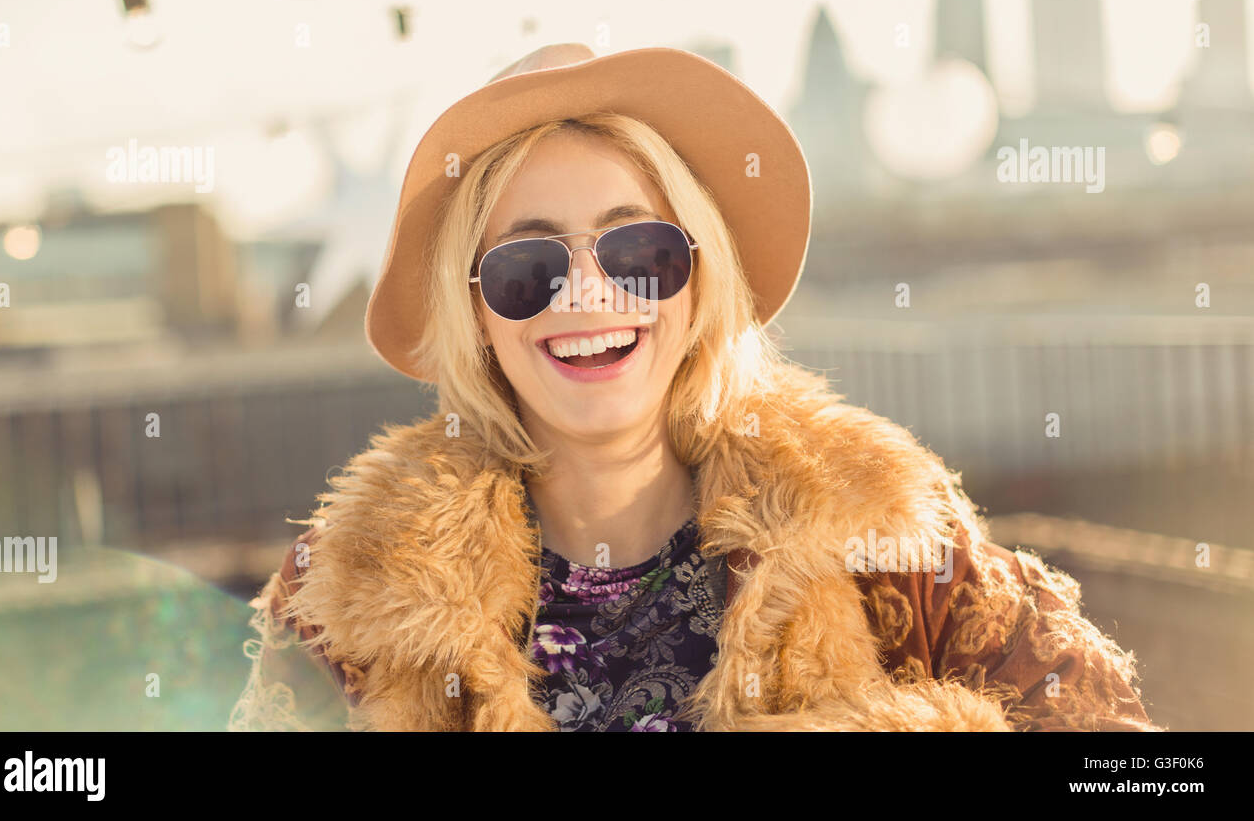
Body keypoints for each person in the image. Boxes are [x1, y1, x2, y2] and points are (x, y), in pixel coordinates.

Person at [229, 43, 1157, 732]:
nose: (589, 292)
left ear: (696, 280)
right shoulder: (347, 583)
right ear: (477, 314)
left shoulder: (878, 523)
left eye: (638, 250)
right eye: (527, 268)